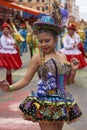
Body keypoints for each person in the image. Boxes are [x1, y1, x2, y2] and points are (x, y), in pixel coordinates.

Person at [0, 16, 82, 130]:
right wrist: (10, 88)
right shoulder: (38, 58)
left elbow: (67, 83)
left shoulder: (63, 56)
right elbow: (26, 79)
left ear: (56, 39)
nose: (43, 44)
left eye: (47, 40)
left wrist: (73, 70)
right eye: (40, 41)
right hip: (45, 102)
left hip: (63, 102)